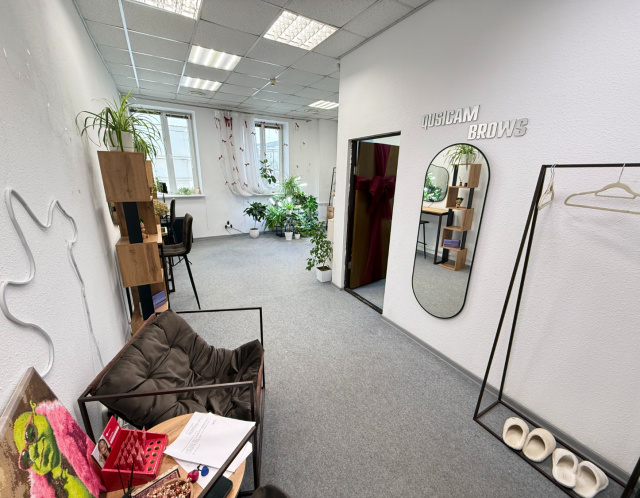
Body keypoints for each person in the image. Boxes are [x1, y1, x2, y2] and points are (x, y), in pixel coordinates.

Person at [13, 400, 103, 497]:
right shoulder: (43, 491)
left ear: (35, 411)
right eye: (26, 457)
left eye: (30, 434)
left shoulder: (72, 426)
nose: (33, 455)